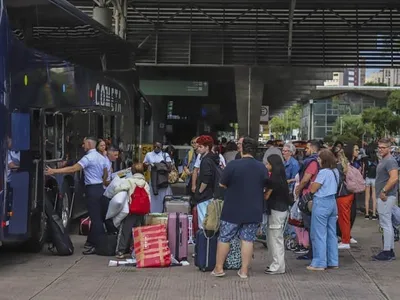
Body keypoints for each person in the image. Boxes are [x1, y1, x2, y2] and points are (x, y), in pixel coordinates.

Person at [212, 137, 268, 279]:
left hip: (233, 208)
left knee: (225, 238)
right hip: (253, 208)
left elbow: (222, 185)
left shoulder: (233, 165)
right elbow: (265, 185)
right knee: (248, 239)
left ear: (241, 149)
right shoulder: (261, 167)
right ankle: (244, 271)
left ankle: (219, 268)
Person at [45, 136, 108, 255]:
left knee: (95, 219)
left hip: (92, 189)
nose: (83, 146)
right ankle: (93, 242)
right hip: (100, 188)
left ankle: (99, 246)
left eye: (84, 143)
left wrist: (54, 171)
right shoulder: (102, 157)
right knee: (99, 217)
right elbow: (105, 173)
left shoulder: (88, 158)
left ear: (89, 144)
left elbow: (73, 169)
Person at [307, 149, 339, 271]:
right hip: (332, 202)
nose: (318, 161)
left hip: (321, 202)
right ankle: (333, 260)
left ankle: (319, 262)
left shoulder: (323, 172)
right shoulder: (335, 171)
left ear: (324, 160)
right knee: (331, 233)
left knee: (318, 233)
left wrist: (312, 184)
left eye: (320, 159)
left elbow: (314, 188)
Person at [115, 163, 150, 259]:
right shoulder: (145, 183)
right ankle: (135, 250)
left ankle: (121, 251)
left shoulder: (129, 181)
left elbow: (117, 189)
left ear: (132, 172)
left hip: (131, 210)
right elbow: (148, 198)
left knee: (125, 230)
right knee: (138, 230)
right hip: (142, 211)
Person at [264, 154, 291, 275]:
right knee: (275, 237)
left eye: (268, 163)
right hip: (282, 209)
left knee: (275, 238)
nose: (266, 166)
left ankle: (278, 265)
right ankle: (276, 264)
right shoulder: (281, 178)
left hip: (276, 210)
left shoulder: (273, 180)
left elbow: (266, 196)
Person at [373, 138, 399, 261]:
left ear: (389, 148)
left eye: (383, 147)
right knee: (386, 222)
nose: (380, 149)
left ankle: (387, 251)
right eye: (379, 147)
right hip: (384, 196)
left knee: (386, 223)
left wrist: (384, 191)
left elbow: (394, 178)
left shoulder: (390, 161)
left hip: (386, 196)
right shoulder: (385, 160)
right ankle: (389, 250)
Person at [294, 140, 320, 260]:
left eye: (307, 147)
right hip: (312, 196)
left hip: (308, 197)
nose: (305, 150)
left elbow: (305, 179)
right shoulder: (317, 160)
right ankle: (313, 251)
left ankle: (313, 252)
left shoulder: (312, 162)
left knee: (310, 225)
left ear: (313, 148)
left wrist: (298, 189)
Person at [194, 135, 219, 227]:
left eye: (200, 147)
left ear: (207, 147)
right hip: (212, 193)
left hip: (204, 196)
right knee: (210, 220)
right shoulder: (214, 159)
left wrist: (199, 191)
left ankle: (204, 240)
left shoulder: (205, 160)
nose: (198, 149)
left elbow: (205, 179)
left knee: (203, 221)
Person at [143, 141, 173, 213]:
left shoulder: (165, 155)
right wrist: (147, 165)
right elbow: (144, 166)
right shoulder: (149, 154)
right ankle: (153, 214)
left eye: (158, 147)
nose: (156, 148)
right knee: (154, 200)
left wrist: (157, 166)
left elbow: (169, 167)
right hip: (153, 181)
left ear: (162, 147)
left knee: (163, 198)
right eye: (155, 147)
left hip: (163, 180)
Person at [333, 148, 353, 250]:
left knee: (343, 218)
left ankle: (345, 241)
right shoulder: (348, 165)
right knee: (346, 218)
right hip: (350, 193)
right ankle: (347, 238)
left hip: (342, 195)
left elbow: (337, 182)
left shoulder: (338, 167)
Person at [343, 142, 360, 245]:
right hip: (346, 191)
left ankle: (347, 234)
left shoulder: (356, 163)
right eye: (356, 150)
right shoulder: (346, 163)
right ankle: (345, 235)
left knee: (353, 213)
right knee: (348, 214)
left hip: (354, 190)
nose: (358, 152)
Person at [364, 145, 378, 220]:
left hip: (367, 178)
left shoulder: (365, 159)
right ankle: (374, 214)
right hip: (374, 179)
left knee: (367, 197)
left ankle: (366, 214)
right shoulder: (376, 159)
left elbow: (364, 169)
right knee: (374, 197)